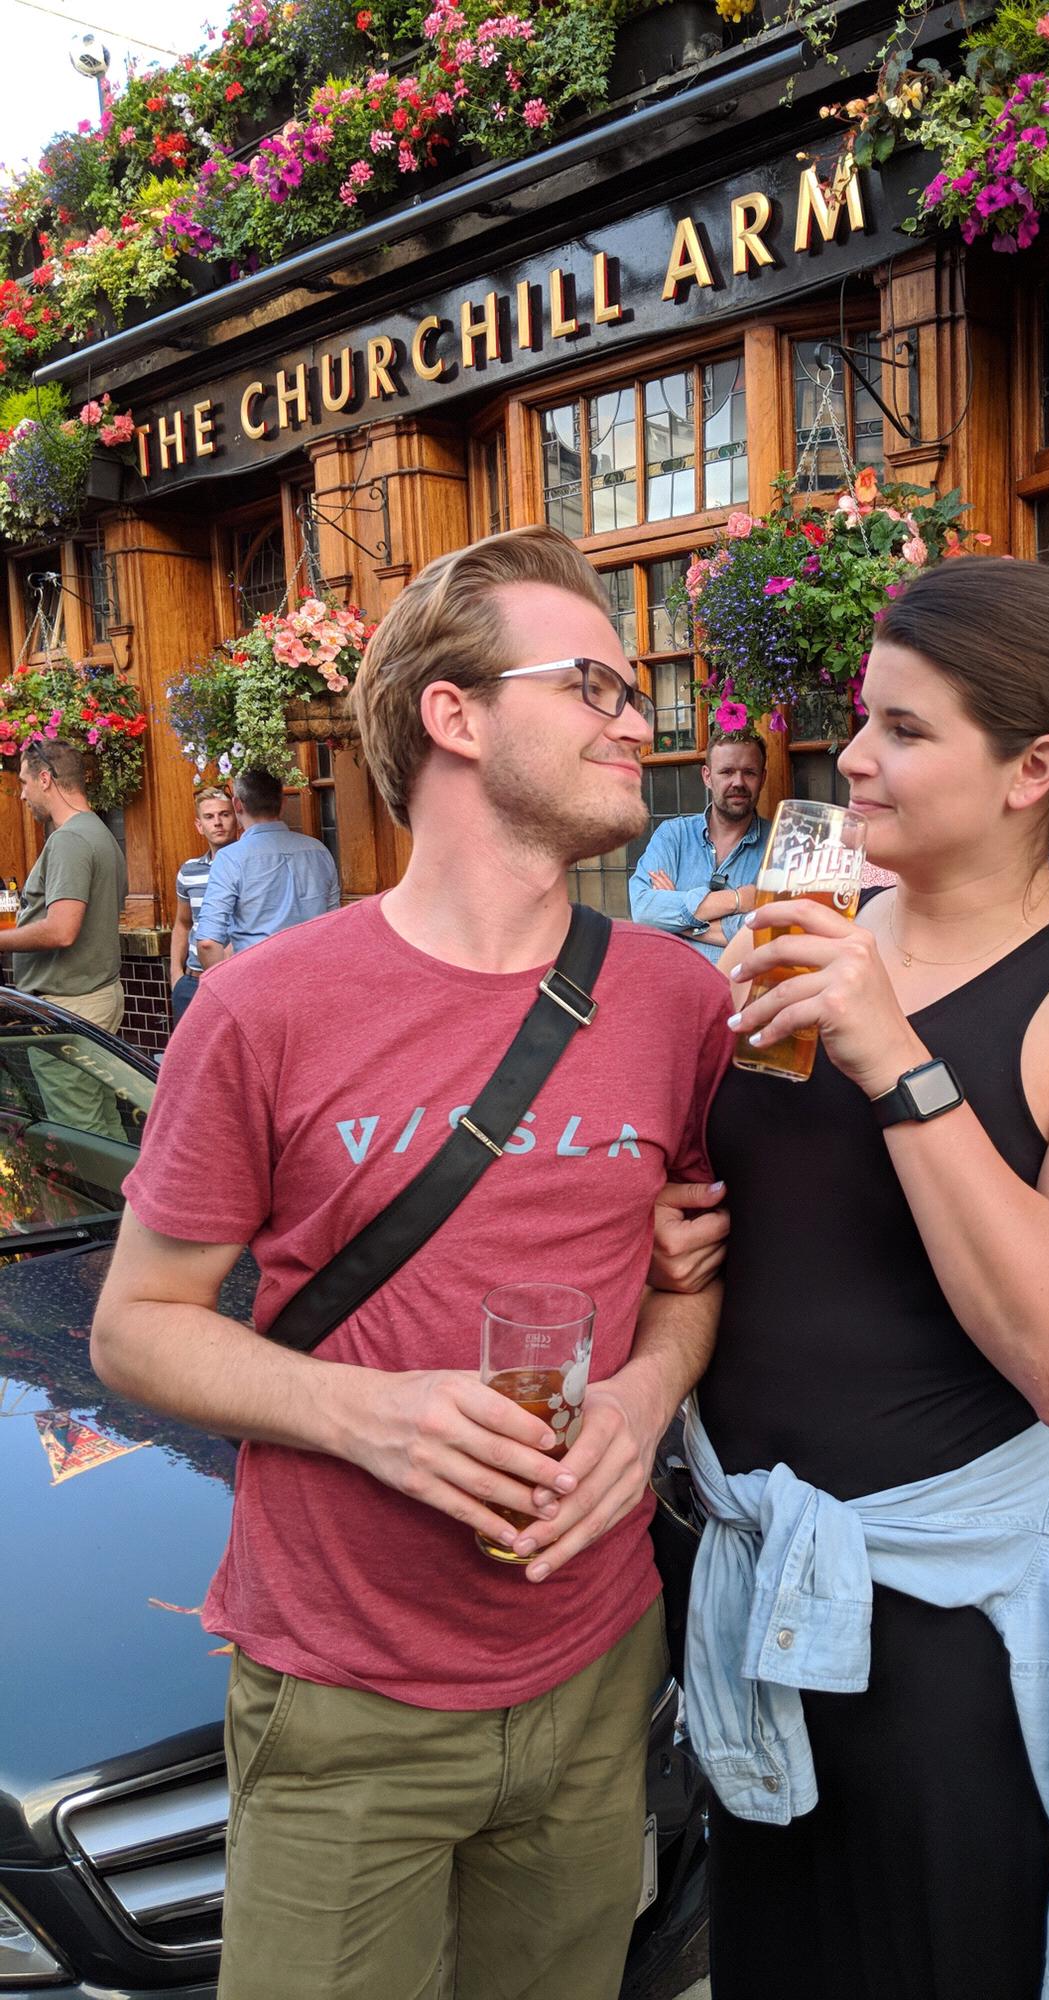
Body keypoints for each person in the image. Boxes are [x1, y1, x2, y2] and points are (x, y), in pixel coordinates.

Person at [90, 523, 731, 2000]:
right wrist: (373, 1414)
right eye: (594, 685)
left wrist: (644, 1401)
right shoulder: (265, 1006)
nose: (640, 722)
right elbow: (136, 1326)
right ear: (455, 715)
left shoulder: (675, 1000)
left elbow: (693, 1279)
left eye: (635, 692)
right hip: (341, 1699)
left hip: (597, 1672)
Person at [690, 557, 1049, 2000]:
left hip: (959, 1644)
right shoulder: (802, 935)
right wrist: (667, 1243)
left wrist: (898, 1058)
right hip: (760, 1600)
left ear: (1033, 769)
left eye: (905, 729)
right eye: (860, 719)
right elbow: (778, 1229)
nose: (851, 758)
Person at [1, 741, 127, 1136]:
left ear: (46, 779)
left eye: (24, 783)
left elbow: (62, 929)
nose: (22, 795)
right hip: (95, 997)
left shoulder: (69, 839)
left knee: (83, 1135)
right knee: (105, 1125)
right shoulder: (99, 833)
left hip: (71, 1007)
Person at [628, 729, 769, 961]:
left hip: (735, 984)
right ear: (707, 776)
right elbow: (644, 910)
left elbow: (767, 935)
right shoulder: (673, 836)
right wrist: (738, 900)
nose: (738, 782)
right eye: (726, 772)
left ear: (762, 778)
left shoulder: (779, 847)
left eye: (749, 772)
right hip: (670, 980)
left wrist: (674, 917)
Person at [193, 767, 340, 965]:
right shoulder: (319, 851)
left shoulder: (230, 858)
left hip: (256, 974)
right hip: (314, 970)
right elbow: (333, 925)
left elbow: (208, 943)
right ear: (283, 803)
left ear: (237, 805)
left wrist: (222, 982)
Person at [169, 786, 237, 1025]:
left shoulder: (250, 867)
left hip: (234, 981)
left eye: (224, 814)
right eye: (209, 817)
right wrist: (176, 976)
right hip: (192, 983)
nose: (217, 822)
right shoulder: (189, 871)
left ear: (236, 818)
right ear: (199, 826)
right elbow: (183, 924)